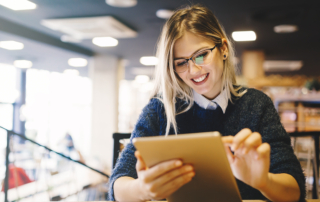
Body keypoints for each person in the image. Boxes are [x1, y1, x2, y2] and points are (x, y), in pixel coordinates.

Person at [108, 5, 305, 202]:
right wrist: (143, 189)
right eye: (181, 63)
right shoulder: (160, 109)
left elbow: (295, 190)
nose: (194, 70)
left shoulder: (256, 105)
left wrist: (264, 182)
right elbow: (118, 185)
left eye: (201, 55)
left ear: (224, 49)